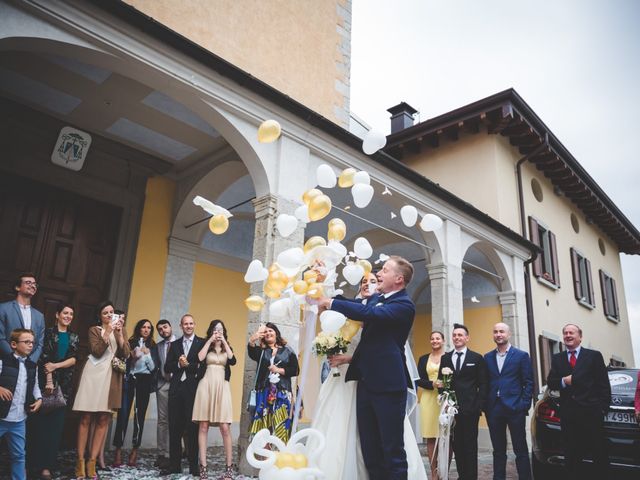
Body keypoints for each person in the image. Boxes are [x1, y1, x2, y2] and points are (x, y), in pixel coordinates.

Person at [312, 270, 427, 480]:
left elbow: (370, 314)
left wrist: (329, 303)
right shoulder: (375, 300)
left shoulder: (403, 305)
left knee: (392, 450)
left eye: (384, 270)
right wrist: (322, 285)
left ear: (399, 278)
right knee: (369, 449)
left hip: (388, 385)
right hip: (364, 382)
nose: (379, 273)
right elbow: (353, 304)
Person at [72, 301, 130, 480]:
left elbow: (125, 353)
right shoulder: (94, 330)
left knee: (103, 418)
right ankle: (80, 461)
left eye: (112, 312)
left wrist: (119, 334)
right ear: (100, 316)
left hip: (111, 376)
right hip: (93, 374)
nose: (110, 315)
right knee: (86, 417)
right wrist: (109, 331)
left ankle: (92, 462)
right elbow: (97, 351)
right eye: (106, 313)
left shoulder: (121, 329)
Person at [547, 324, 611, 480]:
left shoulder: (594, 356)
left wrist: (602, 409)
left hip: (591, 414)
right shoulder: (558, 358)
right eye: (565, 333)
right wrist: (563, 381)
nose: (568, 335)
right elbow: (551, 382)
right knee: (571, 457)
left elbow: (603, 385)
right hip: (569, 416)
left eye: (571, 333)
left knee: (599, 454)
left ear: (580, 337)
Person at [27, 303, 79, 480]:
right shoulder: (47, 333)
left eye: (71, 314)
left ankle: (46, 467)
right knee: (38, 426)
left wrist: (56, 366)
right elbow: (44, 358)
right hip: (44, 385)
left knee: (55, 429)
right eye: (65, 313)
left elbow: (73, 359)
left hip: (63, 388)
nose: (68, 316)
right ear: (57, 315)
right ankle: (31, 464)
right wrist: (49, 380)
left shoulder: (74, 336)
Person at [484, 322, 533, 480]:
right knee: (498, 450)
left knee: (520, 449)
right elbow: (485, 382)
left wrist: (523, 404)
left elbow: (529, 382)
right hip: (494, 408)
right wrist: (486, 406)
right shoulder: (488, 357)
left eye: (501, 332)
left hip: (515, 408)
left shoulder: (521, 355)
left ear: (509, 334)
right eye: (495, 331)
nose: (498, 334)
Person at [439, 323, 488, 480]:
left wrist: (478, 405)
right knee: (457, 446)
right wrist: (445, 401)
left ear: (467, 338)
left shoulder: (476, 358)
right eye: (454, 335)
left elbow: (484, 383)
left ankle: (471, 477)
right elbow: (442, 383)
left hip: (470, 410)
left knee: (470, 447)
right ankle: (462, 476)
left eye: (460, 335)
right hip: (452, 411)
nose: (457, 337)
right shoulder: (445, 358)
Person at [192, 319, 236, 479]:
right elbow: (199, 358)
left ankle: (229, 467)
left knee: (225, 427)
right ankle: (203, 467)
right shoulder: (206, 344)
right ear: (211, 331)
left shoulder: (227, 347)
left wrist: (223, 341)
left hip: (222, 387)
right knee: (203, 425)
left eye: (221, 330)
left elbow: (232, 360)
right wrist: (210, 340)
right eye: (215, 330)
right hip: (206, 386)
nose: (218, 332)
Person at [162, 314, 205, 476]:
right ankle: (174, 466)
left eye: (191, 323)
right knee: (175, 428)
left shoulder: (201, 343)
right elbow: (167, 367)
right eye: (185, 324)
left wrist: (190, 365)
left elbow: (203, 368)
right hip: (176, 391)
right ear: (181, 326)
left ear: (194, 325)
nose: (188, 326)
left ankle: (194, 466)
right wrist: (179, 365)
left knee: (193, 428)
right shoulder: (175, 344)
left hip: (193, 391)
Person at [112, 319, 157, 467]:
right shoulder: (130, 341)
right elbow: (121, 361)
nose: (146, 330)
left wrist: (148, 355)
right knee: (123, 414)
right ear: (139, 328)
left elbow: (153, 369)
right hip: (129, 380)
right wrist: (132, 356)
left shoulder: (153, 346)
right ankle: (118, 450)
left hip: (144, 382)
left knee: (139, 417)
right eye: (143, 327)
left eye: (149, 328)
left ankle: (134, 450)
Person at [0, 328, 42, 480]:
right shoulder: (3, 362)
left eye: (32, 342)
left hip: (19, 420)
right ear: (13, 344)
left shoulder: (32, 366)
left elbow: (35, 387)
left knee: (19, 455)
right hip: (1, 417)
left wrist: (39, 399)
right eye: (26, 342)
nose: (30, 345)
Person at [247, 321, 299, 443]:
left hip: (282, 392)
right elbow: (251, 352)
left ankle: (279, 455)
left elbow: (296, 370)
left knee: (281, 423)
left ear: (276, 333)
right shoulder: (261, 351)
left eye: (271, 330)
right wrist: (252, 340)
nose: (268, 333)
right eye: (265, 332)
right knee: (264, 427)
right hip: (264, 392)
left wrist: (279, 370)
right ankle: (265, 456)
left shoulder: (288, 351)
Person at [417, 330, 446, 479]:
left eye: (438, 338)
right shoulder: (423, 359)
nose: (435, 341)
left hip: (444, 400)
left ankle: (444, 471)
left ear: (443, 341)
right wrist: (432, 384)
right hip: (428, 399)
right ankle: (434, 472)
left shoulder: (449, 358)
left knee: (445, 436)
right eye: (432, 339)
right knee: (431, 436)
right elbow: (418, 380)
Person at [0, 273, 45, 363]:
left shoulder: (39, 316)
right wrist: (14, 357)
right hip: (7, 362)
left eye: (35, 284)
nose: (33, 286)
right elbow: (0, 337)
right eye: (28, 282)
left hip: (29, 366)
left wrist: (31, 361)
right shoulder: (3, 308)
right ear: (18, 287)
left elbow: (40, 344)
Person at [150, 318, 174, 469]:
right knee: (162, 420)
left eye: (165, 327)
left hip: (178, 386)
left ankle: (171, 454)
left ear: (170, 327)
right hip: (163, 386)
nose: (163, 330)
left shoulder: (180, 342)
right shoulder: (157, 347)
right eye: (160, 329)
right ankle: (161, 454)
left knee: (175, 420)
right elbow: (154, 366)